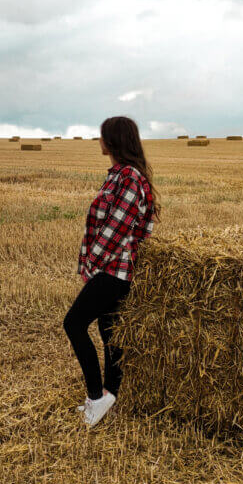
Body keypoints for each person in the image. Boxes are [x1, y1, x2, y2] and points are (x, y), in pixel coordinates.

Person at [63, 116, 158, 427]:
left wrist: (92, 262)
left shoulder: (130, 178)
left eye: (102, 135)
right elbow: (100, 225)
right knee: (110, 333)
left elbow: (115, 229)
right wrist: (87, 261)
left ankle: (96, 396)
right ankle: (109, 394)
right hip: (111, 268)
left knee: (74, 323)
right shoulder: (119, 176)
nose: (98, 139)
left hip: (115, 271)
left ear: (114, 141)